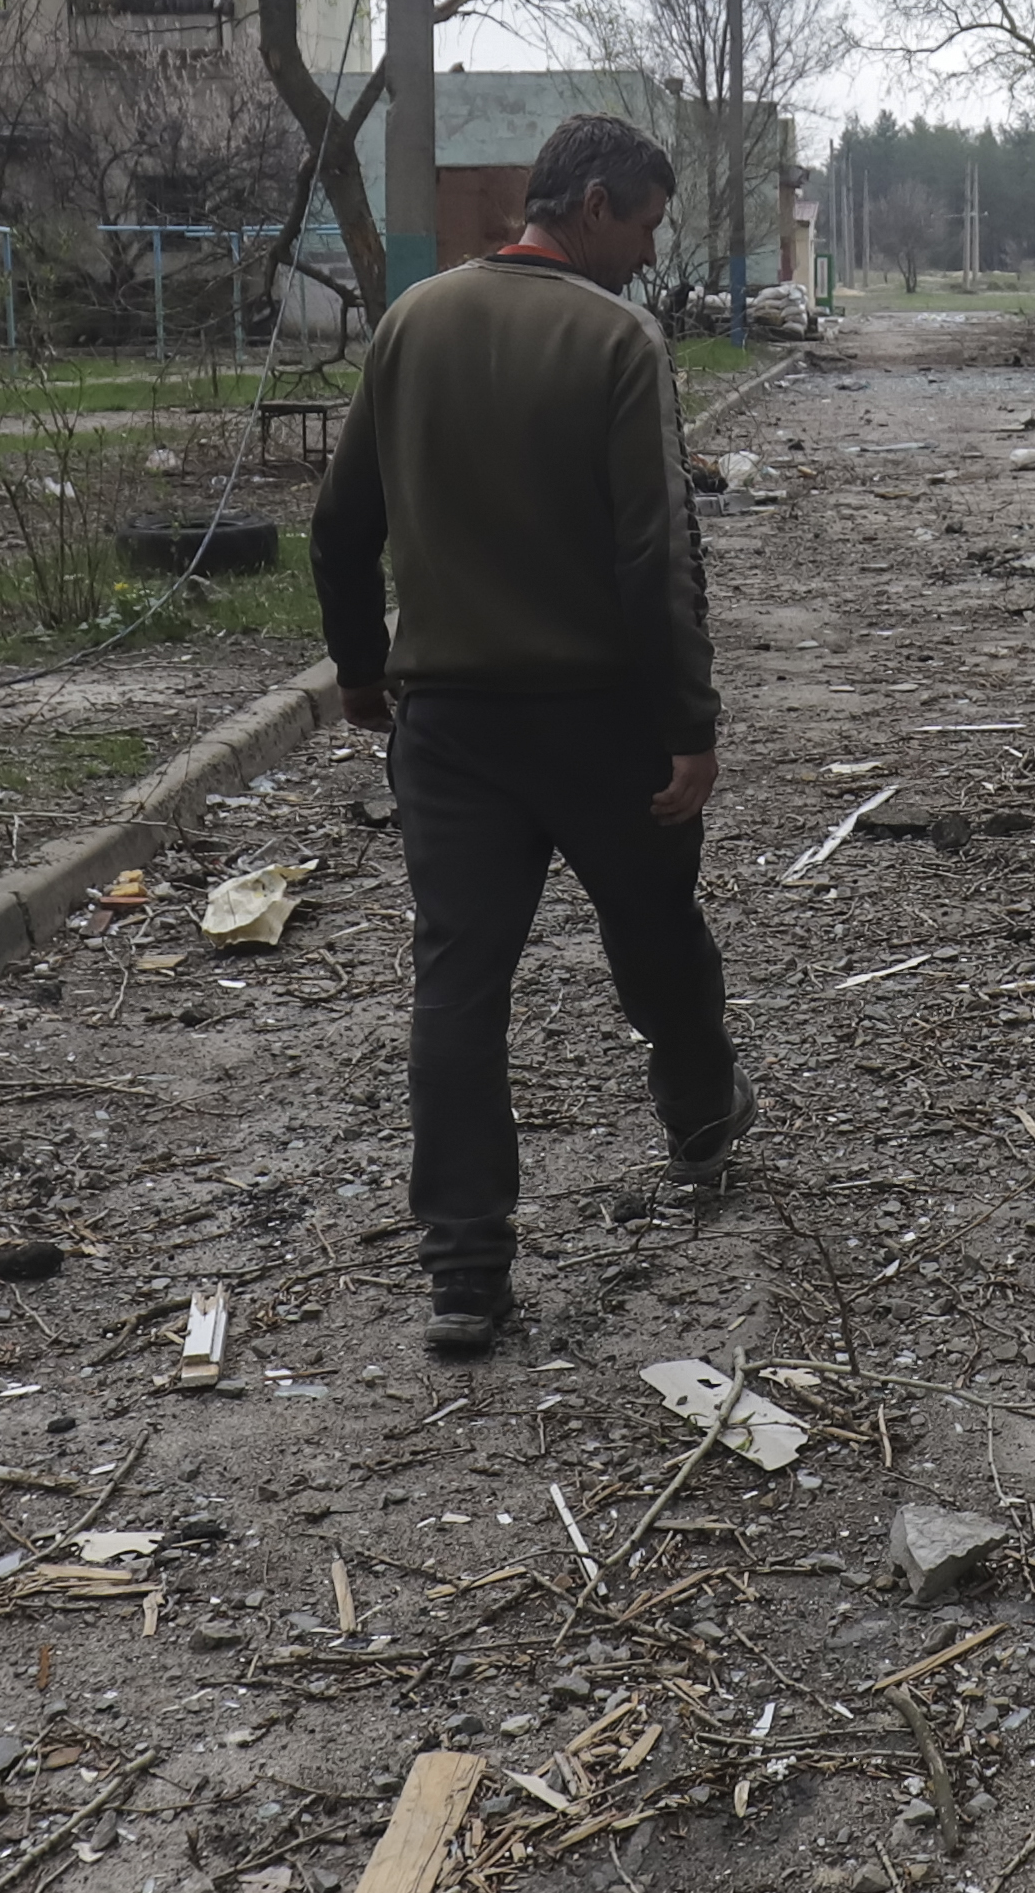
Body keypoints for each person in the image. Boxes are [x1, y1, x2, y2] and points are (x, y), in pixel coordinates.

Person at [310, 109, 744, 1357]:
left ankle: (464, 1273)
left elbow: (342, 523)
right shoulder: (617, 339)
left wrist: (359, 672)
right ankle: (703, 1125)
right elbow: (657, 551)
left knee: (457, 987)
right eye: (647, 225)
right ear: (596, 203)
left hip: (447, 725)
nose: (647, 255)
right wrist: (690, 726)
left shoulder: (414, 322)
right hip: (597, 720)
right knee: (656, 929)